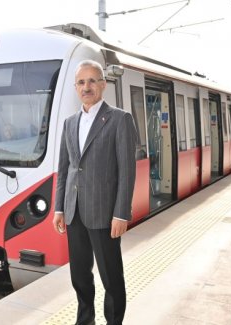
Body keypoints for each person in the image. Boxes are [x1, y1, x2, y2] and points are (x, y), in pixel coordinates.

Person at [53, 60, 137, 325]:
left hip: (104, 212)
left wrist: (121, 213)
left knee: (111, 276)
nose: (86, 87)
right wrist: (59, 207)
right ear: (75, 87)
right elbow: (64, 169)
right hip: (74, 211)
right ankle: (85, 320)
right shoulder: (69, 123)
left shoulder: (119, 119)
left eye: (92, 81)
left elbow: (127, 170)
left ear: (103, 84)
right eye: (81, 82)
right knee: (79, 275)